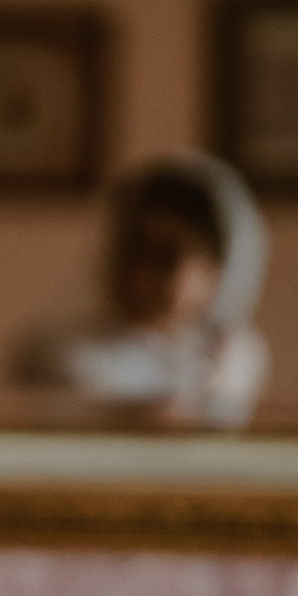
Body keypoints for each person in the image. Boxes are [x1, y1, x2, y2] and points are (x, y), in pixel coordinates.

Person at [62, 152, 271, 429]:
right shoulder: (66, 357)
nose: (141, 275)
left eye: (166, 258)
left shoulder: (235, 355)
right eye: (132, 250)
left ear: (214, 271)